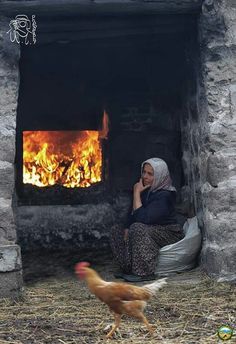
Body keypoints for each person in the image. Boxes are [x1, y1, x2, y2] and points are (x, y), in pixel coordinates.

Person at [110, 157, 184, 282]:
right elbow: (133, 213)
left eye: (150, 174)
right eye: (144, 172)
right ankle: (128, 268)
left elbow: (144, 219)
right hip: (150, 229)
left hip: (168, 232)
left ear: (160, 175)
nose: (145, 176)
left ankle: (144, 272)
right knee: (117, 230)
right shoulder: (148, 190)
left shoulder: (165, 195)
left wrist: (136, 193)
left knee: (137, 227)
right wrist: (127, 227)